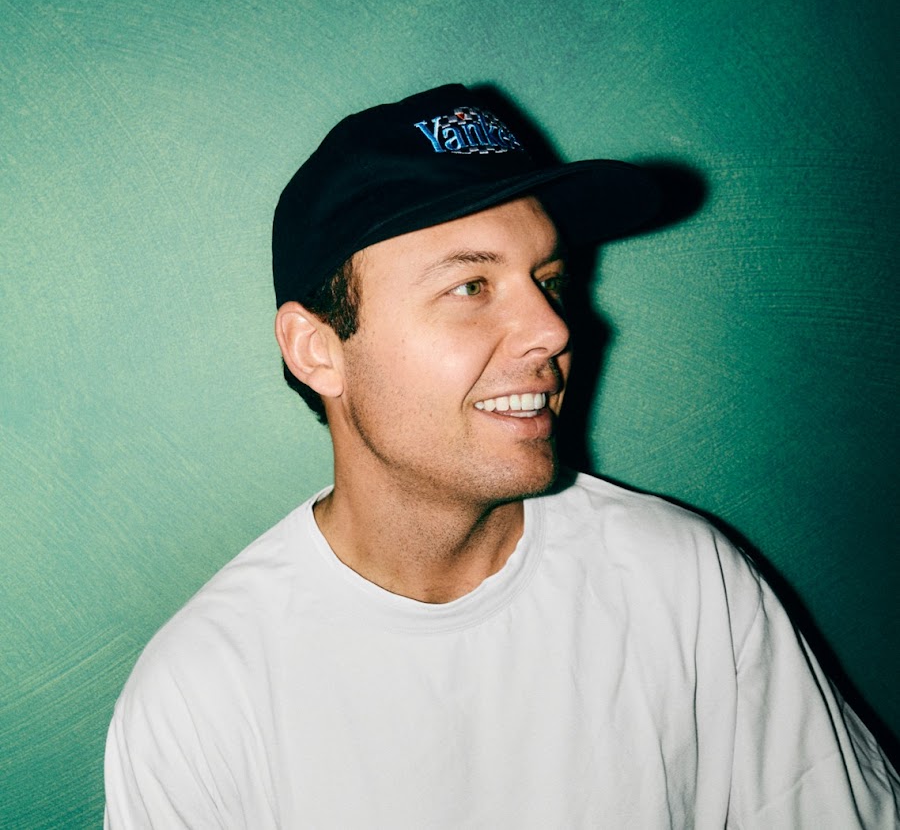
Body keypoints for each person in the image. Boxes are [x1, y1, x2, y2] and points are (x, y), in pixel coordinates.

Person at [104, 84, 899, 828]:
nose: (555, 330)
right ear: (318, 350)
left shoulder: (684, 582)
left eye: (550, 280)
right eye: (471, 288)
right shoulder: (203, 698)